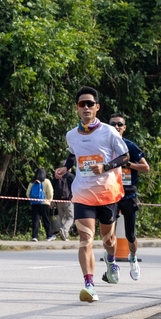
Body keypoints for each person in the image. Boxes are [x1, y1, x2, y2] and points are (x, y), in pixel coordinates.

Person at [55, 86, 129, 302]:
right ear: (77, 108)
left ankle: (111, 260)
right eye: (82, 104)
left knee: (108, 240)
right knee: (85, 239)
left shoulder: (109, 131)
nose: (86, 107)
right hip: (82, 194)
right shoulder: (71, 135)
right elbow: (73, 154)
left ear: (97, 107)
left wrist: (105, 167)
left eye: (90, 104)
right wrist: (66, 167)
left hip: (107, 194)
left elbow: (125, 157)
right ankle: (89, 285)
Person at [108, 113, 150, 281]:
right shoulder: (104, 145)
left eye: (119, 124)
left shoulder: (129, 145)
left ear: (124, 127)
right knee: (108, 234)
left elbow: (146, 167)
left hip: (128, 193)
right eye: (113, 124)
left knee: (130, 235)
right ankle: (111, 263)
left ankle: (133, 257)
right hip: (110, 193)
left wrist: (128, 164)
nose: (116, 127)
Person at [26, 168, 55, 242]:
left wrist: (32, 199)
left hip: (34, 203)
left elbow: (27, 193)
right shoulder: (47, 181)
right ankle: (49, 236)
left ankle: (34, 236)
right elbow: (50, 192)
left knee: (35, 220)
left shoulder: (32, 182)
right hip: (45, 203)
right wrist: (49, 200)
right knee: (46, 219)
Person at [52, 164, 74, 241]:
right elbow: (74, 188)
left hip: (58, 201)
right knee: (70, 217)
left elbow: (53, 188)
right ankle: (64, 230)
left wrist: (53, 200)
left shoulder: (56, 176)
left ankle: (65, 236)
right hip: (68, 200)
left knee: (62, 217)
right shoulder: (71, 176)